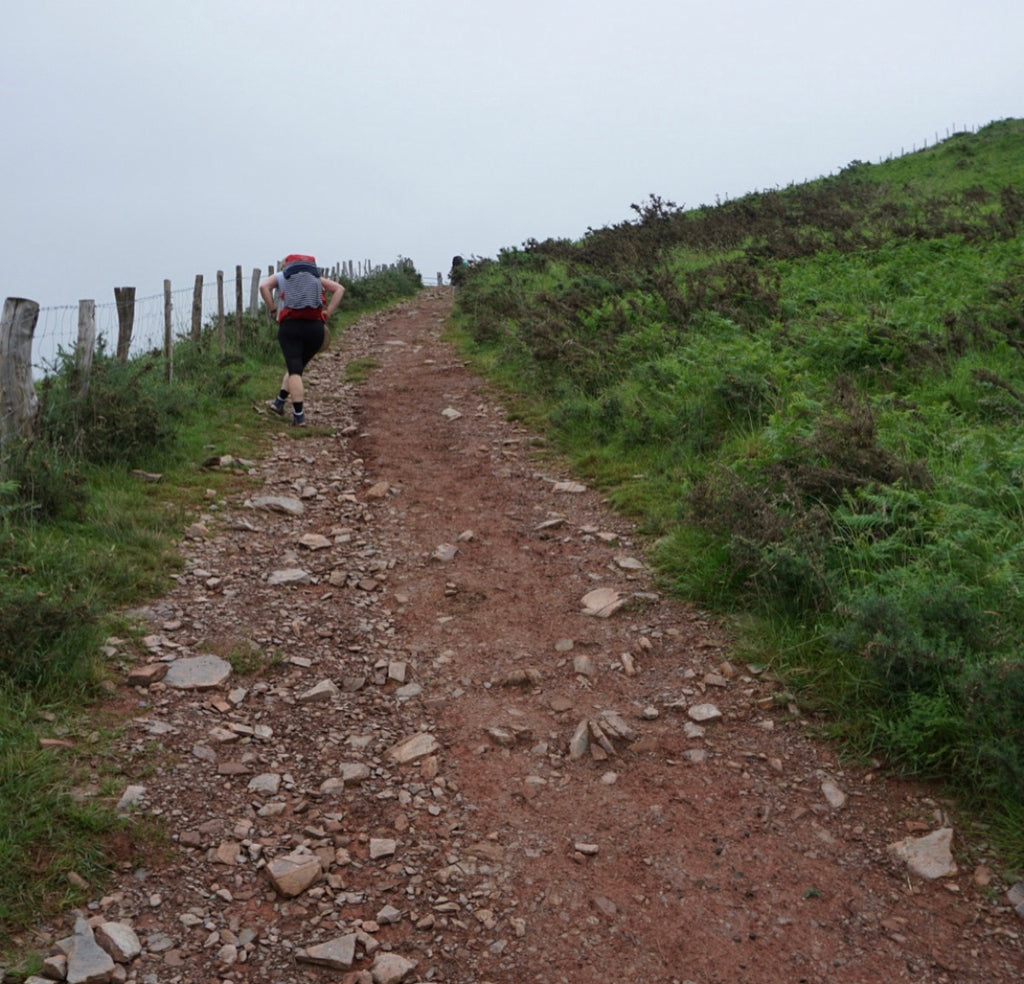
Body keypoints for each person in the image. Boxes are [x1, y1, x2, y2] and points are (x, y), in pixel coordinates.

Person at [259, 254, 345, 426]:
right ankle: (279, 402)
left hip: (291, 327)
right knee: (296, 366)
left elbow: (263, 287)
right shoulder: (315, 278)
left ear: (286, 266)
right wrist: (328, 312)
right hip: (315, 329)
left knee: (295, 370)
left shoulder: (282, 276)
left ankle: (299, 415)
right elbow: (339, 289)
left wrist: (272, 308)